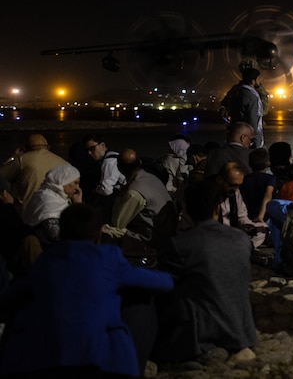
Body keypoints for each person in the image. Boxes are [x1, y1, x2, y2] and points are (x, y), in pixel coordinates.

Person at [0, 203, 174, 377]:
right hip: (98, 356)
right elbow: (163, 283)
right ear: (98, 234)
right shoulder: (108, 257)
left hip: (47, 353)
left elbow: (12, 296)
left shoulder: (47, 261)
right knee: (142, 299)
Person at [153, 178, 257, 364]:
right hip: (241, 331)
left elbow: (163, 287)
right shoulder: (241, 239)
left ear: (188, 211)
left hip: (201, 335)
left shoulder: (180, 245)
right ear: (217, 208)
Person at [0, 133, 69, 213]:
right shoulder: (64, 163)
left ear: (24, 148)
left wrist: (13, 157)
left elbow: (2, 174)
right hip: (60, 210)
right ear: (48, 147)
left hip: (29, 211)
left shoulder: (22, 160)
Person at [21, 164, 83, 251]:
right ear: (62, 181)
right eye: (75, 183)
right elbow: (56, 236)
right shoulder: (47, 201)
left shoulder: (54, 197)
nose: (78, 188)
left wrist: (78, 205)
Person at [215, 161, 269, 250]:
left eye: (239, 186)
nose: (236, 189)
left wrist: (248, 226)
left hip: (234, 231)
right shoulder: (211, 194)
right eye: (233, 185)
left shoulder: (235, 192)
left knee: (263, 228)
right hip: (218, 232)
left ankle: (244, 248)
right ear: (220, 179)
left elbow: (241, 215)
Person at [79, 132, 125, 220]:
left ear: (102, 145)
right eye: (87, 150)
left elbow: (106, 190)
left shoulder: (109, 162)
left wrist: (95, 190)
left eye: (92, 148)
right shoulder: (114, 155)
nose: (89, 153)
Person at [221, 66, 265, 148]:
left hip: (237, 132)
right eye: (258, 79)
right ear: (253, 81)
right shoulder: (252, 96)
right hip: (249, 136)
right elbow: (252, 118)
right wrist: (253, 138)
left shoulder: (237, 92)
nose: (259, 81)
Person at [240, 147, 276, 222]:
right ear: (268, 163)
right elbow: (268, 195)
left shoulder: (244, 179)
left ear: (250, 163)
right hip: (265, 216)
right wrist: (261, 215)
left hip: (247, 214)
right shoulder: (270, 178)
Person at [159, 133, 192, 201]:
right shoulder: (182, 160)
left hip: (163, 191)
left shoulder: (164, 158)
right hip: (172, 193)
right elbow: (182, 179)